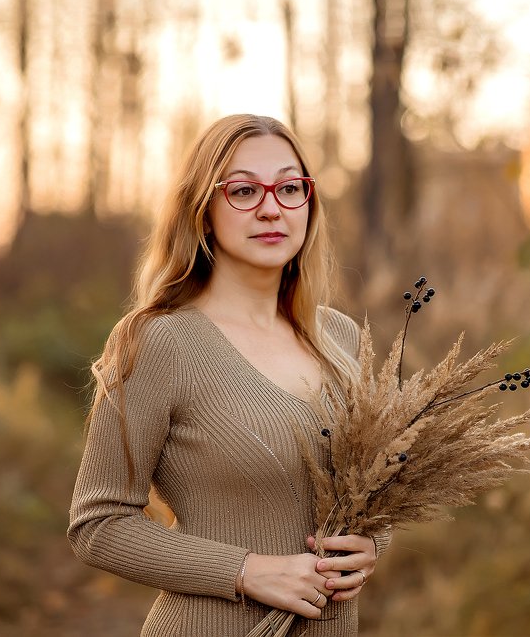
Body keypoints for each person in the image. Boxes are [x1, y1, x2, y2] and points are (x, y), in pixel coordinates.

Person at [67, 114, 390, 636]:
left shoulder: (342, 339)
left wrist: (372, 544)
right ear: (203, 212)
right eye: (243, 191)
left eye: (289, 188)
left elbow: (376, 487)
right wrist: (245, 571)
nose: (271, 208)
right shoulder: (159, 342)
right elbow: (97, 523)